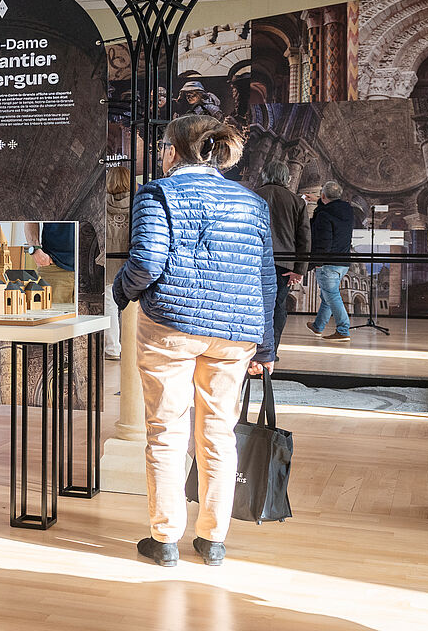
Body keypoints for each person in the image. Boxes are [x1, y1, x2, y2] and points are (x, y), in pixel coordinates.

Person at [112, 114, 276, 568]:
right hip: (236, 333)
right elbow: (265, 279)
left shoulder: (158, 193)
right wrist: (266, 347)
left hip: (171, 326)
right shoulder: (251, 202)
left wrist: (121, 292)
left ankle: (165, 539)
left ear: (172, 150)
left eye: (162, 147)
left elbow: (146, 263)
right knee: (219, 433)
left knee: (166, 431)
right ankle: (213, 540)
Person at [255, 160, 310, 354]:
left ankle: (251, 352)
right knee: (278, 306)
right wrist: (299, 270)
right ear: (287, 178)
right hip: (284, 264)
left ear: (265, 174)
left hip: (255, 261)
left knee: (253, 305)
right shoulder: (297, 202)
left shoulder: (253, 195)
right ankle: (270, 352)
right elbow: (304, 238)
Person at [307, 181, 354, 343]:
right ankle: (318, 326)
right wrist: (318, 200)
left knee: (332, 296)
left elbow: (324, 241)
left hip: (328, 264)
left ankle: (343, 330)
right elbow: (332, 207)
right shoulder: (347, 210)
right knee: (327, 294)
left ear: (323, 195)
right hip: (343, 263)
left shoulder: (323, 215)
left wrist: (317, 261)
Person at [103, 165, 132, 360]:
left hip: (108, 260)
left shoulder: (101, 204)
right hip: (131, 262)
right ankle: (130, 349)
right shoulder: (138, 204)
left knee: (110, 305)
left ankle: (112, 348)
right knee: (131, 306)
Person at [25, 221, 76, 304]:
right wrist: (35, 250)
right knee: (50, 311)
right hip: (54, 266)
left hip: (91, 268)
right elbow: (30, 219)